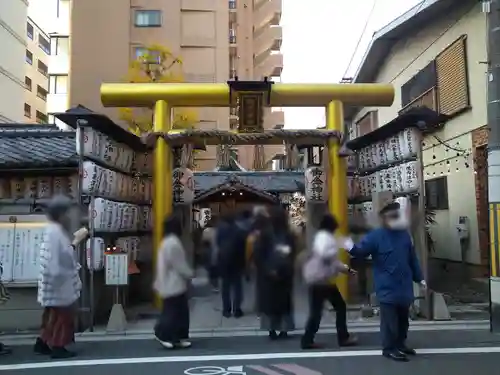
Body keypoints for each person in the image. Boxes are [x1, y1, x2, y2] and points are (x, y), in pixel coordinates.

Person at [345, 200, 426, 362]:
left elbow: (412, 259)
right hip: (387, 286)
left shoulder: (404, 235)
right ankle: (389, 348)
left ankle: (400, 344)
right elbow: (361, 252)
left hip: (404, 286)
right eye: (392, 216)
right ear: (384, 218)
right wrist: (350, 247)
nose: (395, 218)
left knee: (403, 320)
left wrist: (420, 278)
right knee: (390, 321)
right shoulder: (376, 236)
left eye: (397, 215)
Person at [35, 195, 86, 359]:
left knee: (51, 316)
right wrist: (76, 242)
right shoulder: (56, 233)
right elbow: (59, 260)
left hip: (51, 283)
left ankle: (42, 343)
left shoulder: (52, 231)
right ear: (60, 214)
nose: (69, 216)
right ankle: (58, 346)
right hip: (58, 284)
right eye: (67, 212)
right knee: (62, 317)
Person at [301, 214, 358, 350]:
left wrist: (347, 270)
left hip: (319, 280)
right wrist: (339, 246)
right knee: (336, 307)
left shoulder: (323, 237)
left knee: (321, 310)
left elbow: (333, 261)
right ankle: (342, 338)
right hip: (321, 280)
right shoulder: (324, 237)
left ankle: (308, 339)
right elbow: (325, 255)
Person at [254, 207, 295, 340]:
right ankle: (284, 329)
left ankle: (271, 329)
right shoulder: (289, 235)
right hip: (285, 274)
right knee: (284, 303)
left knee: (270, 303)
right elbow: (292, 253)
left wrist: (266, 270)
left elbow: (259, 254)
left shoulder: (265, 234)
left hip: (269, 275)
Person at [154, 214, 194, 349]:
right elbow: (179, 264)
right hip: (173, 283)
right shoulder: (173, 243)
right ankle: (163, 334)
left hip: (170, 282)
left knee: (177, 311)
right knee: (174, 312)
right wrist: (190, 273)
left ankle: (177, 337)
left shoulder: (166, 241)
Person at [216, 210, 253, 318]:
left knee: (225, 287)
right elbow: (243, 249)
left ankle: (226, 310)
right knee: (237, 287)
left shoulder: (220, 232)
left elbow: (218, 246)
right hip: (237, 262)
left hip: (224, 262)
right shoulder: (240, 231)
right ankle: (237, 309)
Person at [201, 217, 219, 292]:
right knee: (215, 268)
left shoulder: (206, 231)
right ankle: (215, 284)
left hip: (209, 251)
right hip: (217, 251)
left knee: (210, 268)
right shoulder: (218, 231)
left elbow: (204, 242)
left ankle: (213, 284)